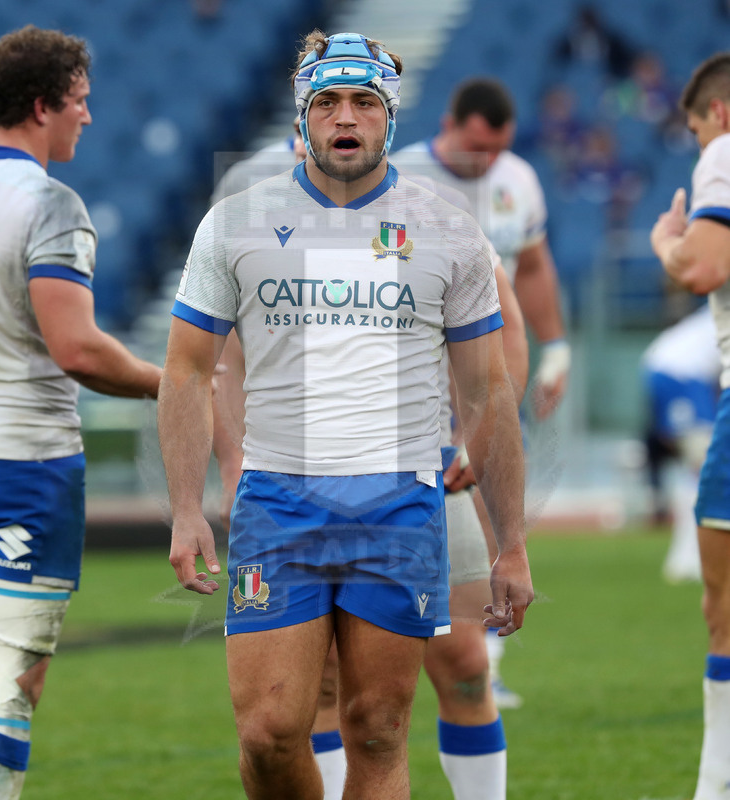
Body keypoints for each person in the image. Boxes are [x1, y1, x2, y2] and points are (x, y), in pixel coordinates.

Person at [158, 29, 533, 800]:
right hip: (277, 503)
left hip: (398, 504)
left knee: (377, 729)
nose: (345, 116)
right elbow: (190, 369)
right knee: (268, 736)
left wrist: (512, 543)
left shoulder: (447, 228)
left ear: (390, 117)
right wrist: (187, 509)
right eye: (326, 102)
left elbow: (488, 391)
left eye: (364, 101)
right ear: (302, 117)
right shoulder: (236, 223)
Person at [0, 25, 162, 800]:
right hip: (22, 464)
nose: (89, 117)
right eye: (80, 102)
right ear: (44, 105)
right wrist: (173, 382)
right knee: (8, 677)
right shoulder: (48, 204)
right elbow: (77, 350)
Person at [394, 76, 569, 709]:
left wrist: (559, 349)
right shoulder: (402, 175)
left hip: (489, 367)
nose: (486, 163)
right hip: (420, 384)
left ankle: (484, 657)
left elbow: (533, 269)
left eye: (497, 150)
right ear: (449, 124)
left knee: (493, 507)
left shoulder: (518, 180)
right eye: (476, 148)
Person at [650, 51, 730, 800]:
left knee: (724, 610)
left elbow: (702, 268)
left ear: (720, 114)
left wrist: (666, 244)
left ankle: (717, 786)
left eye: (697, 130)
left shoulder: (726, 155)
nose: (699, 146)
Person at [640, 304, 720, 582]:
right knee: (704, 465)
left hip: (672, 372)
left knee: (701, 467)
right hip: (680, 375)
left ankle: (689, 556)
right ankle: (688, 558)